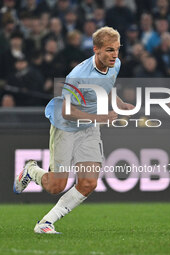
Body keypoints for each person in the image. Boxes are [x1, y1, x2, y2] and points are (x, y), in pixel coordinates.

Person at [13, 26, 134, 234]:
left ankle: (45, 223)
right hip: (66, 127)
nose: (115, 55)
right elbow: (68, 111)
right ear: (96, 49)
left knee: (88, 183)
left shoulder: (115, 65)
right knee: (56, 186)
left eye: (117, 49)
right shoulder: (78, 75)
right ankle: (31, 170)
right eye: (109, 50)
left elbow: (107, 87)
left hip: (89, 128)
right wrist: (101, 117)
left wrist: (120, 103)